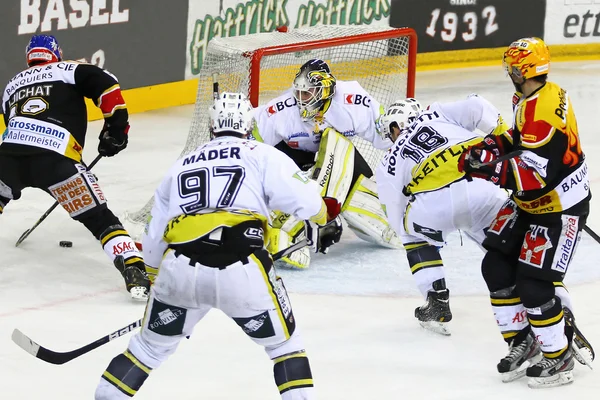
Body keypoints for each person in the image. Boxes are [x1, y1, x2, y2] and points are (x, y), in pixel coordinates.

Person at [94, 92, 341, 399]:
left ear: (211, 127)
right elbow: (307, 202)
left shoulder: (182, 164)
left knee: (145, 350)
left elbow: (155, 233)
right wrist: (323, 212)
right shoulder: (261, 153)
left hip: (179, 267)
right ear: (248, 125)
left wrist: (161, 284)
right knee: (284, 347)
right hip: (243, 268)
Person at [458, 37, 592, 388]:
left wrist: (485, 168)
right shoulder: (532, 98)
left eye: (512, 68)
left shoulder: (543, 111)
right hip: (532, 203)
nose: (509, 73)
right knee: (496, 265)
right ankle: (523, 340)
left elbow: (533, 179)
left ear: (523, 71)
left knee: (534, 285)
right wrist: (485, 148)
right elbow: (518, 141)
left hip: (558, 208)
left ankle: (558, 356)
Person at [0, 34, 150, 300]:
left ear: (29, 57)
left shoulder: (11, 85)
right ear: (55, 54)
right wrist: (115, 129)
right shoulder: (67, 68)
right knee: (99, 219)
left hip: (6, 159)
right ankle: (132, 264)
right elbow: (107, 86)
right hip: (56, 161)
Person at [376, 95, 513, 335]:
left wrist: (422, 237)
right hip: (483, 188)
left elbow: (394, 211)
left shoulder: (389, 159)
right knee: (505, 249)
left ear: (396, 126)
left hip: (433, 208)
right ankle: (540, 296)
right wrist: (507, 138)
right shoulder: (438, 112)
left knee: (409, 233)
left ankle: (436, 299)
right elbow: (476, 105)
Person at [253, 59, 401, 269]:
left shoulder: (353, 101)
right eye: (299, 93)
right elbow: (248, 143)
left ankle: (306, 220)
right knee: (334, 147)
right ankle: (292, 229)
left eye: (307, 93)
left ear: (323, 90)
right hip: (293, 162)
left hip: (337, 161)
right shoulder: (281, 110)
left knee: (385, 230)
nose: (301, 99)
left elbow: (389, 134)